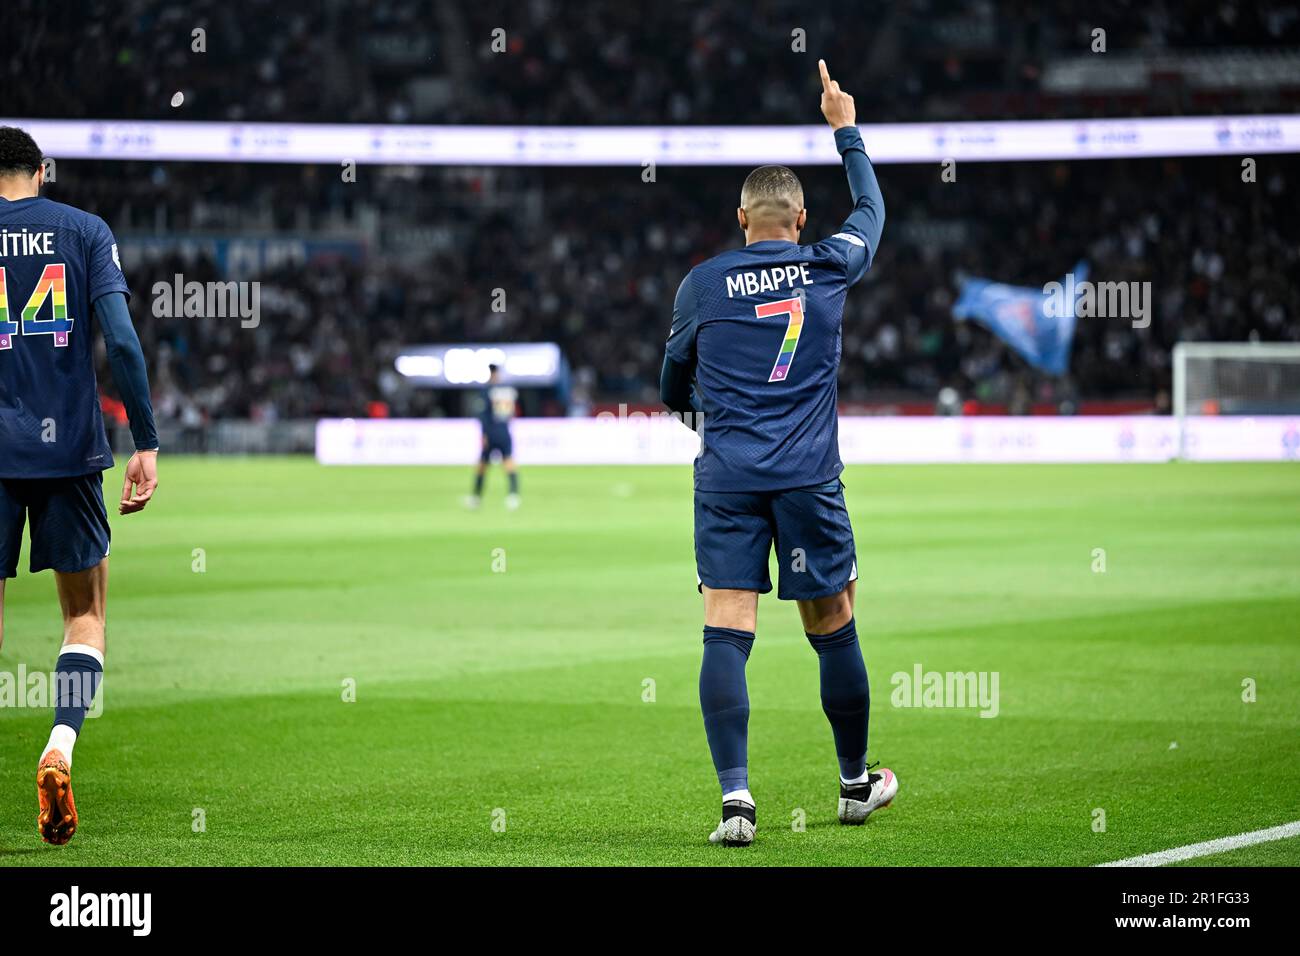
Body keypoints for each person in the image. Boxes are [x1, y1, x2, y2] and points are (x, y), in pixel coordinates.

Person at [660, 62, 894, 846]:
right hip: (806, 478)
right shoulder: (830, 264)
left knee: (726, 626)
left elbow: (669, 385)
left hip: (727, 477)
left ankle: (736, 800)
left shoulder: (701, 283)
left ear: (741, 218)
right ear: (800, 216)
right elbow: (872, 208)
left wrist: (716, 427)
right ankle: (856, 785)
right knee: (832, 619)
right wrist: (844, 126)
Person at [0, 126, 159, 846]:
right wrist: (145, 441)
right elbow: (122, 342)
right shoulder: (85, 230)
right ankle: (59, 744)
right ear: (41, 169)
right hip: (67, 451)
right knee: (85, 619)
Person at [466, 364, 521, 510]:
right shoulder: (507, 390)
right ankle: (513, 495)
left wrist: (484, 434)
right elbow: (512, 412)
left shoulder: (486, 391)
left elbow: (483, 415)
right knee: (508, 462)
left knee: (483, 465)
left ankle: (476, 497)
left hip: (491, 432)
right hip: (504, 430)